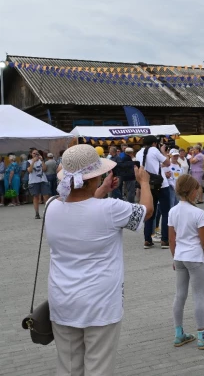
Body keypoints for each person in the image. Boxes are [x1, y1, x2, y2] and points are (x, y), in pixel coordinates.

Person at [45, 144, 153, 376]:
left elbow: (81, 206)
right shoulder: (110, 209)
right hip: (100, 303)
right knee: (98, 368)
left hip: (62, 300)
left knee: (69, 367)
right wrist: (144, 182)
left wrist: (101, 190)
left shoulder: (51, 207)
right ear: (94, 177)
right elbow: (147, 210)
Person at [168, 174, 204, 350]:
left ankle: (179, 334)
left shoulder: (173, 211)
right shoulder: (198, 213)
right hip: (194, 258)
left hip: (180, 257)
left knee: (180, 295)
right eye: (197, 189)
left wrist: (174, 257)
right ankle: (203, 336)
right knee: (198, 295)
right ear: (192, 191)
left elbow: (171, 239)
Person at [136, 135, 172, 249]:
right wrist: (163, 152)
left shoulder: (138, 153)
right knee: (166, 212)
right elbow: (167, 163)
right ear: (154, 143)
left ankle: (147, 239)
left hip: (148, 184)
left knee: (150, 211)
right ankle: (165, 240)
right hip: (161, 184)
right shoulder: (154, 150)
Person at [28, 149, 51, 219]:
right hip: (34, 181)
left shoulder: (41, 161)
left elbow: (44, 169)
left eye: (37, 153)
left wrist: (42, 161)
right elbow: (30, 170)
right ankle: (37, 213)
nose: (35, 155)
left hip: (43, 180)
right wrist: (33, 162)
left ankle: (47, 212)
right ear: (31, 154)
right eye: (34, 153)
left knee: (46, 196)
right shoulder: (28, 162)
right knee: (36, 197)